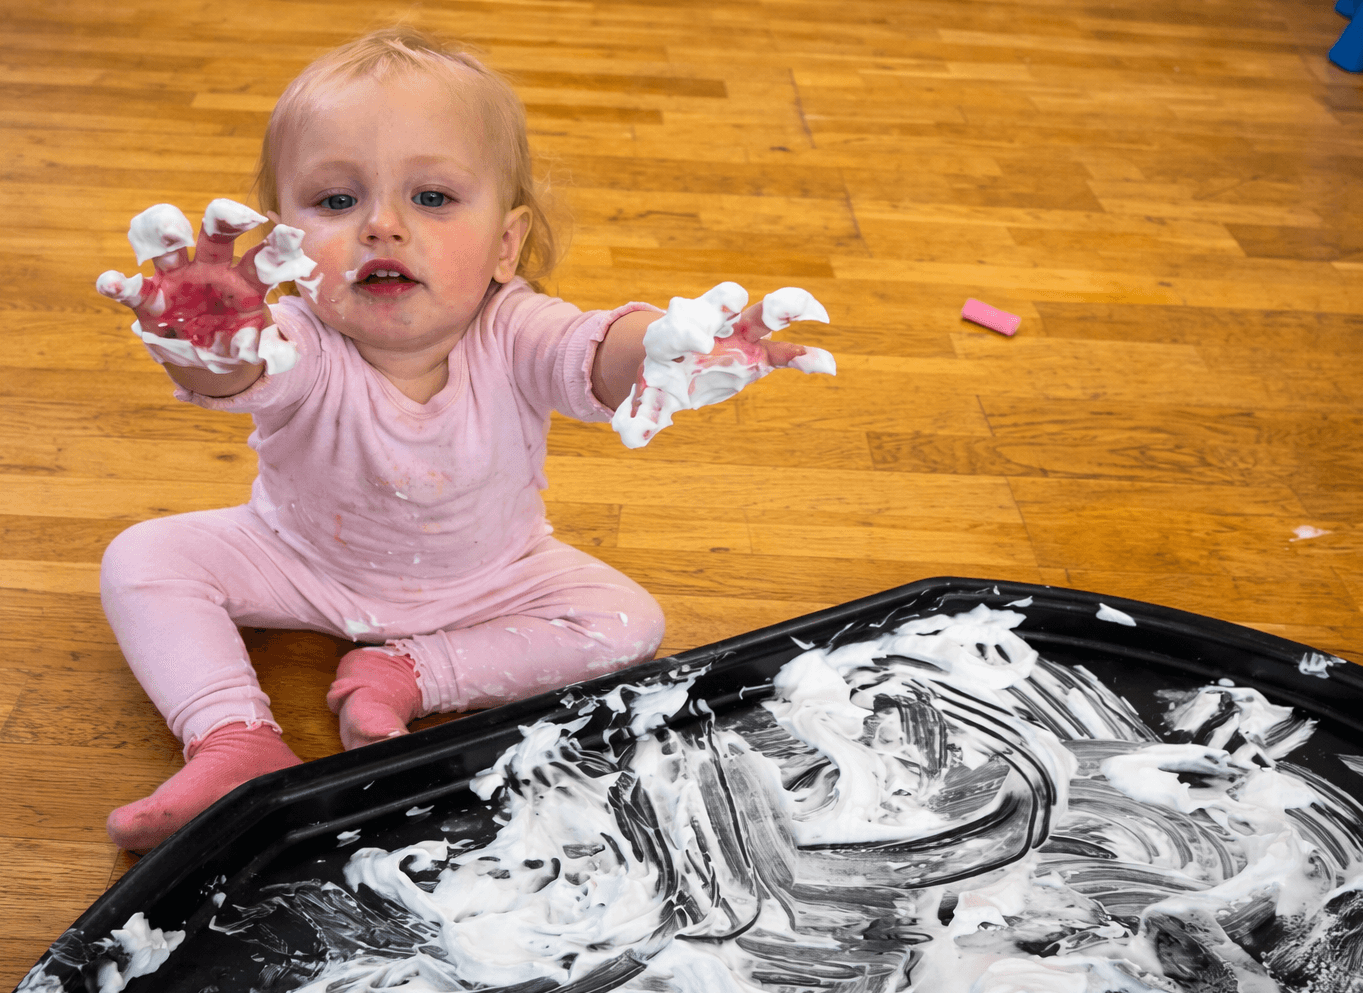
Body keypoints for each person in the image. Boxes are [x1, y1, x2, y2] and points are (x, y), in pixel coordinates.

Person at [93, 25, 833, 852]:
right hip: (294, 558)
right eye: (336, 202)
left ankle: (406, 670)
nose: (382, 226)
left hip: (492, 578)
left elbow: (596, 352)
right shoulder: (295, 333)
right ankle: (232, 737)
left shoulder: (517, 328)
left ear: (507, 243)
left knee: (627, 620)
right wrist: (211, 346)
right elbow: (237, 376)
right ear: (284, 245)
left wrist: (667, 348)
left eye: (433, 198)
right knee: (142, 558)